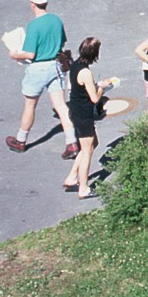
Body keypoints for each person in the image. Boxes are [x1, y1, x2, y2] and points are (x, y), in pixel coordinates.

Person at [6, 0, 78, 158]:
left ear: (32, 4)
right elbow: (63, 41)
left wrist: (15, 54)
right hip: (57, 66)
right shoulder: (56, 20)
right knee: (61, 105)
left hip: (39, 68)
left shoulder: (34, 26)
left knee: (30, 105)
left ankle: (21, 140)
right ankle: (72, 143)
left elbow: (30, 54)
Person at [60, 37, 111, 199]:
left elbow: (71, 86)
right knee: (87, 150)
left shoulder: (75, 65)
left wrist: (92, 86)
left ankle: (72, 177)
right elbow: (95, 99)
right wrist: (102, 87)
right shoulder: (86, 72)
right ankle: (83, 188)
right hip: (84, 114)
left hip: (75, 110)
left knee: (92, 143)